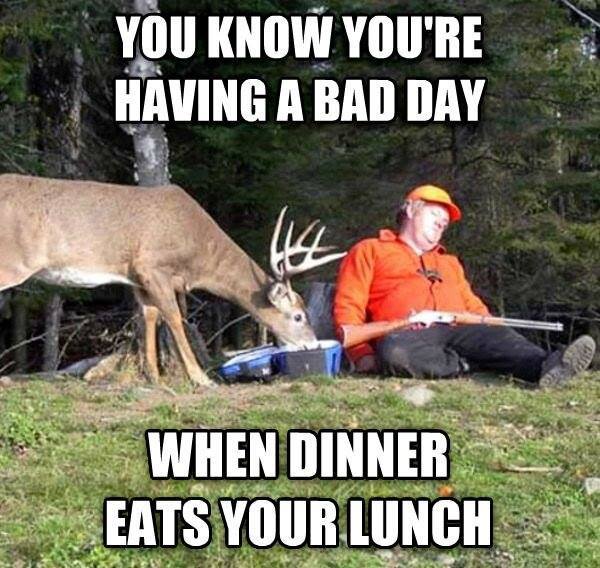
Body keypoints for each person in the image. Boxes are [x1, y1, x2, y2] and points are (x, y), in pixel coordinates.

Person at [333, 184, 596, 386]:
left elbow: (473, 306)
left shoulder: (449, 263)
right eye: (435, 214)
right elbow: (348, 308)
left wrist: (491, 326)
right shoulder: (370, 250)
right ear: (411, 210)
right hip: (408, 336)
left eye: (445, 222)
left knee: (497, 336)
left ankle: (548, 366)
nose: (441, 223)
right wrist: (361, 354)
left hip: (461, 330)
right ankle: (469, 364)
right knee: (393, 351)